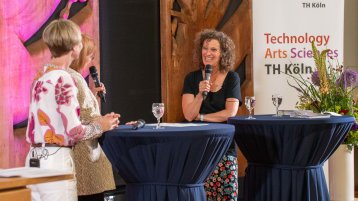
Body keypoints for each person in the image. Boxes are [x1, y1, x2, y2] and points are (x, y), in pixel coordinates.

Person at [25, 19, 120, 201]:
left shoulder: (40, 76)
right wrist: (102, 126)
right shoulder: (64, 78)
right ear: (75, 48)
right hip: (56, 160)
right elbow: (75, 131)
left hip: (34, 159)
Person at [182, 29, 241, 201]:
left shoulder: (232, 78)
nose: (207, 53)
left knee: (226, 196)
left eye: (213, 49)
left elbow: (230, 113)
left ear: (223, 53)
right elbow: (188, 114)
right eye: (205, 48)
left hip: (223, 146)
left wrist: (200, 118)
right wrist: (200, 94)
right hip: (197, 147)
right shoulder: (191, 79)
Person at [68, 34, 115, 201]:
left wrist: (94, 96)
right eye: (89, 55)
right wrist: (107, 122)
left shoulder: (70, 76)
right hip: (85, 160)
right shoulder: (75, 78)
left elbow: (82, 112)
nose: (91, 61)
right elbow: (86, 119)